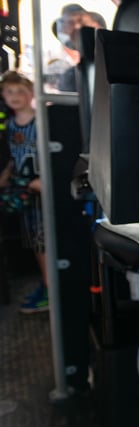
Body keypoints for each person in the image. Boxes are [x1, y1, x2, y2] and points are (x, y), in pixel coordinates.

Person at [0, 71, 48, 313]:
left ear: (31, 93)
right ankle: (46, 282)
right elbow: (12, 156)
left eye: (20, 91)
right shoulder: (9, 125)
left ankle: (51, 288)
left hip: (41, 190)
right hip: (22, 191)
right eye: (9, 92)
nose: (15, 96)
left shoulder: (41, 121)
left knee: (44, 242)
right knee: (34, 242)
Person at [51, 4, 106, 92]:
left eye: (81, 20)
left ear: (98, 24)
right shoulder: (70, 79)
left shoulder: (119, 55)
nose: (77, 27)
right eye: (70, 24)